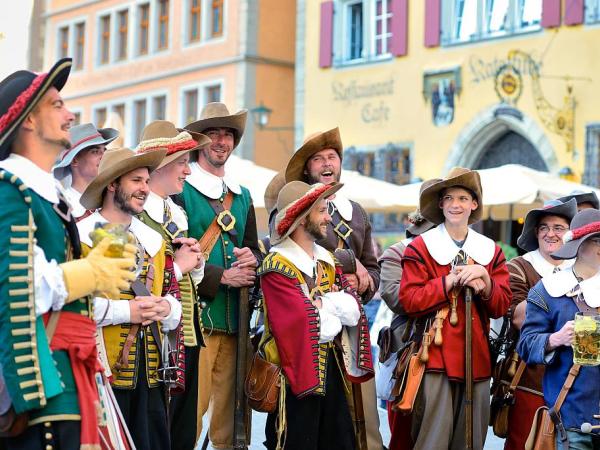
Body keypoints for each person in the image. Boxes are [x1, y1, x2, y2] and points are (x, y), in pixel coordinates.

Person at [0, 58, 135, 449]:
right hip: (39, 375)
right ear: (27, 119)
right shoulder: (11, 187)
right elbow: (18, 290)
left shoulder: (46, 192)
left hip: (71, 366)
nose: (70, 113)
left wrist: (97, 270)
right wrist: (89, 273)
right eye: (56, 105)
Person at [77, 147, 182, 450]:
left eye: (147, 181)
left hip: (151, 376)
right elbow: (76, 306)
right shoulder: (83, 235)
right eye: (136, 180)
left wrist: (165, 308)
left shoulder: (155, 241)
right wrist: (128, 311)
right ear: (112, 184)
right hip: (103, 372)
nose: (145, 189)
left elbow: (174, 299)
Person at [399, 167, 511, 449]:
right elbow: (409, 301)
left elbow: (501, 307)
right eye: (449, 198)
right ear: (441, 204)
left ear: (474, 204)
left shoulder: (491, 250)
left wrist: (486, 282)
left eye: (463, 198)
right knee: (432, 441)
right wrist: (447, 282)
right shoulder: (420, 248)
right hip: (434, 358)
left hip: (477, 360)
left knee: (470, 442)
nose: (455, 205)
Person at [284, 127, 382, 449]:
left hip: (352, 323)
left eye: (332, 157)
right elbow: (295, 249)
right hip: (314, 321)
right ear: (308, 169)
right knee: (322, 419)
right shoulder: (301, 210)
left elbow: (374, 269)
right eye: (318, 159)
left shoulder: (358, 212)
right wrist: (350, 263)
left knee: (365, 414)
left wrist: (364, 282)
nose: (326, 164)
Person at [259, 180, 373, 450]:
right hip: (294, 376)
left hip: (330, 372)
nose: (328, 218)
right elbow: (305, 325)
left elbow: (353, 310)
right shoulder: (276, 265)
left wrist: (323, 304)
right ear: (300, 219)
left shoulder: (327, 260)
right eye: (321, 211)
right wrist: (329, 307)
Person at [180, 102, 260, 449]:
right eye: (213, 134)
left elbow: (254, 249)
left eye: (227, 134)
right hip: (196, 322)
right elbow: (172, 252)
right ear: (200, 142)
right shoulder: (180, 191)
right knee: (189, 416)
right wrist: (221, 277)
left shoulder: (241, 197)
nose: (221, 141)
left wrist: (250, 259)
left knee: (229, 424)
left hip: (234, 322)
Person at [135, 120, 211, 449]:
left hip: (185, 333)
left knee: (182, 431)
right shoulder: (138, 214)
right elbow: (138, 280)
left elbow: (187, 278)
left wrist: (195, 263)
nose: (188, 172)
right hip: (153, 340)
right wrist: (180, 267)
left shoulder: (174, 213)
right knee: (156, 428)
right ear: (163, 163)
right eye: (182, 163)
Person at [518, 208, 600, 449]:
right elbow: (526, 344)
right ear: (578, 246)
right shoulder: (548, 290)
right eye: (596, 241)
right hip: (571, 419)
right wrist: (556, 338)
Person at [499, 198, 577, 449]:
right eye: (544, 227)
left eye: (558, 227)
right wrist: (560, 286)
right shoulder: (519, 267)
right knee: (524, 443)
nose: (550, 233)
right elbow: (519, 317)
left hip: (576, 380)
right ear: (536, 233)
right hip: (528, 376)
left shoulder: (582, 267)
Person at [378, 180, 438, 450]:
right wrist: (444, 287)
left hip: (457, 354)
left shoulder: (469, 252)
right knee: (404, 435)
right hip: (411, 352)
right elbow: (396, 297)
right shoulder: (398, 252)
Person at [53, 122, 118, 218]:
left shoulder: (113, 201)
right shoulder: (63, 206)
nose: (104, 156)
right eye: (95, 152)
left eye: (104, 151)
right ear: (74, 161)